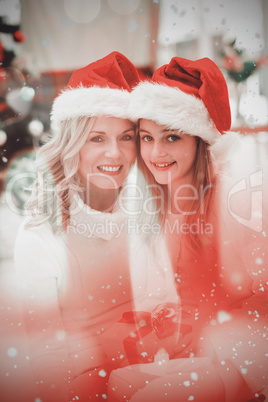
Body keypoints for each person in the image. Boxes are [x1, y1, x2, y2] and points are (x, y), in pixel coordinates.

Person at [107, 57, 267, 401]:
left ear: (200, 140)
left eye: (172, 137)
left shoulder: (237, 198)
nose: (155, 152)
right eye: (146, 138)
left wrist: (213, 327)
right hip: (208, 345)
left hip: (246, 350)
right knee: (120, 384)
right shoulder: (166, 200)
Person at [14, 51, 141, 402]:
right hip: (84, 382)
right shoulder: (40, 233)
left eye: (126, 137)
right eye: (97, 138)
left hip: (151, 365)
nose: (114, 154)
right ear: (72, 144)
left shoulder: (146, 209)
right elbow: (48, 359)